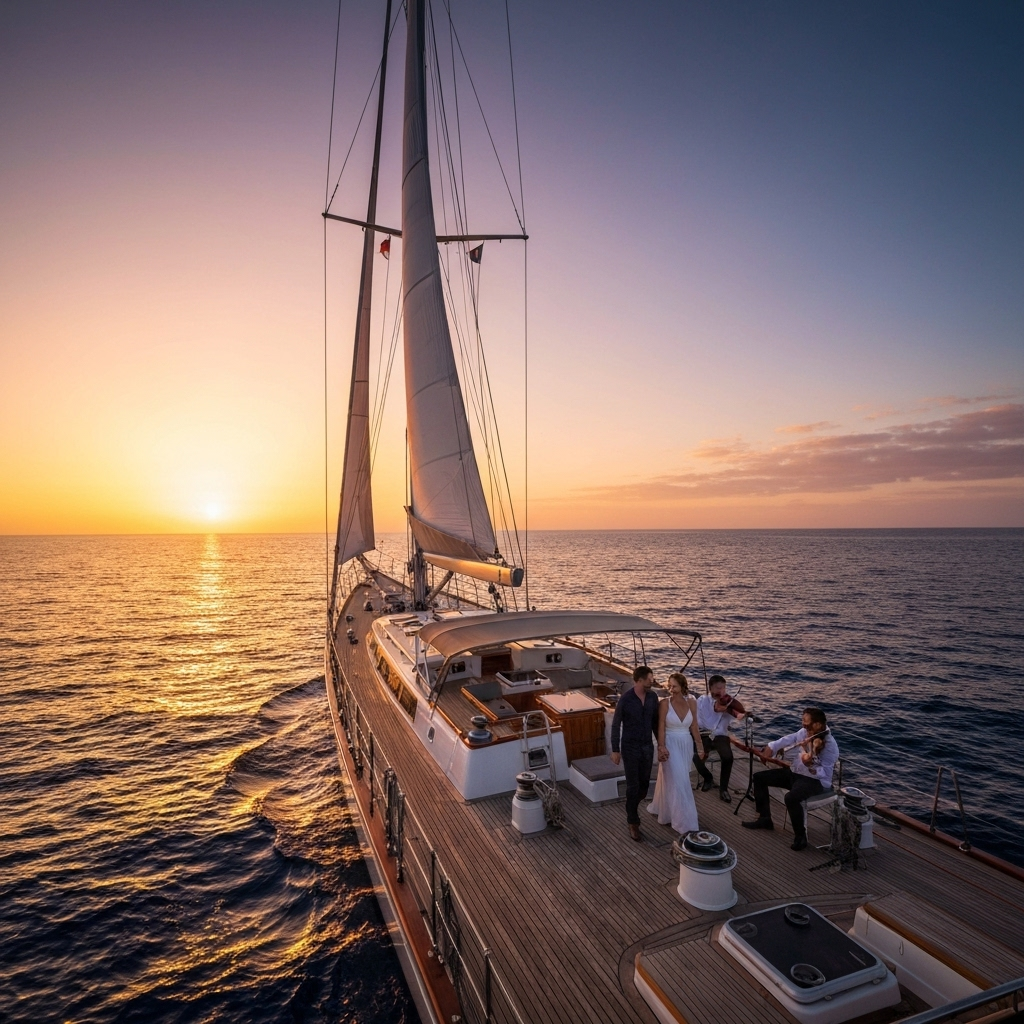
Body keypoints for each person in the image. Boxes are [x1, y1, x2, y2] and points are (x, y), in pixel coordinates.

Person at [741, 707, 840, 851]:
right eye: (803, 722)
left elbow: (825, 773)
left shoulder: (830, 746)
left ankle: (801, 837)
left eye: (807, 724)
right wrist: (771, 747)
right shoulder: (804, 732)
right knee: (759, 778)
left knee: (791, 798)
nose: (804, 726)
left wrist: (811, 766)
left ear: (818, 724)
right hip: (796, 774)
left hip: (815, 781)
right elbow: (790, 739)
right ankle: (765, 819)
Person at [610, 665, 661, 841]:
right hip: (630, 748)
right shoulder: (626, 699)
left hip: (647, 747)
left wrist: (661, 744)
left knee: (644, 787)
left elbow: (655, 723)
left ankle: (631, 806)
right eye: (649, 679)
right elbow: (616, 724)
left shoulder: (653, 697)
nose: (652, 682)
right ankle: (633, 821)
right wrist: (615, 750)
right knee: (633, 786)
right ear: (639, 680)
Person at [647, 672, 702, 834]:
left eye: (674, 686)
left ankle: (666, 811)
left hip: (686, 744)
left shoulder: (692, 702)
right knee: (680, 781)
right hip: (670, 743)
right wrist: (661, 746)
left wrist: (700, 746)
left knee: (676, 779)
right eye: (669, 686)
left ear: (683, 686)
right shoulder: (665, 703)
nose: (671, 689)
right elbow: (661, 727)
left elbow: (694, 726)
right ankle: (684, 822)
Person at [693, 674, 741, 802]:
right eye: (718, 688)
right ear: (710, 689)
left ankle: (723, 789)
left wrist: (733, 711)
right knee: (696, 756)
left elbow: (738, 713)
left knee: (728, 757)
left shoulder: (728, 701)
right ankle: (708, 778)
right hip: (705, 733)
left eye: (723, 688)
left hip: (720, 735)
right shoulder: (702, 701)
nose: (721, 691)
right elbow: (697, 720)